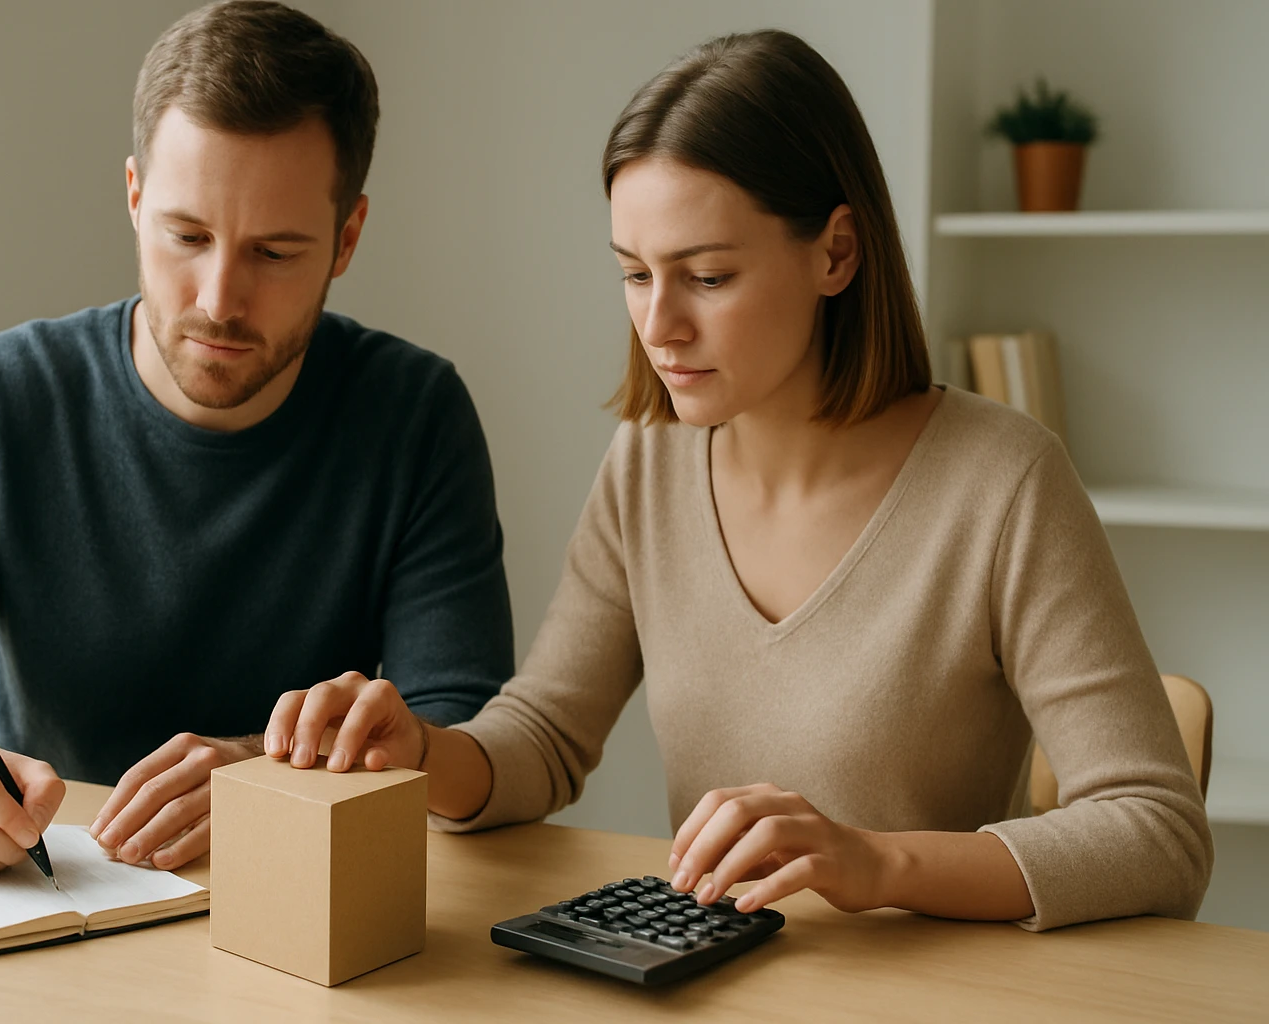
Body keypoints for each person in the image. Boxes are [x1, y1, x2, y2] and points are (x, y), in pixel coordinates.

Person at [265, 29, 1212, 931]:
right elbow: (547, 734)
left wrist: (876, 864)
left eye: (707, 277)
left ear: (836, 252)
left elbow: (1157, 832)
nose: (659, 324)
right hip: (710, 981)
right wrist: (425, 755)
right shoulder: (649, 459)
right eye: (635, 274)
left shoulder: (1003, 482)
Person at [0, 1, 513, 879]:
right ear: (133, 197)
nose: (220, 298)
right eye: (186, 235)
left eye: (274, 253)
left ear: (346, 238)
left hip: (303, 906)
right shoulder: (7, 396)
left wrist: (261, 772)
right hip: (49, 898)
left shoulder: (414, 413)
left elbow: (457, 729)